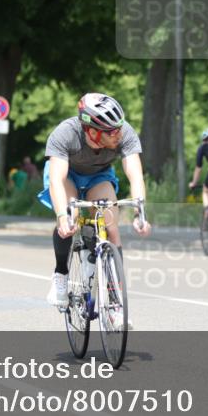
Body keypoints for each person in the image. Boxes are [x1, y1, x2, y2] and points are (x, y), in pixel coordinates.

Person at [39, 93, 151, 308]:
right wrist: (62, 216)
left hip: (98, 176)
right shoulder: (65, 134)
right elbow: (56, 179)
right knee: (72, 218)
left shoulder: (124, 132)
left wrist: (140, 213)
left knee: (110, 226)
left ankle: (116, 299)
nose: (118, 134)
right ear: (91, 131)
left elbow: (136, 175)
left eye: (119, 128)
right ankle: (61, 274)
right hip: (67, 174)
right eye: (111, 132)